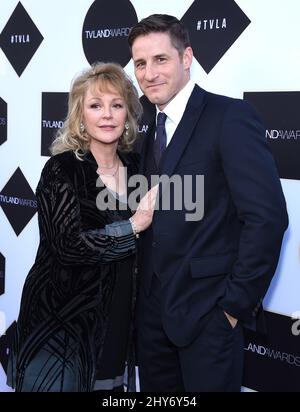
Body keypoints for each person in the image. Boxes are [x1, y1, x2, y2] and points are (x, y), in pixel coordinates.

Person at [128, 14, 288, 392]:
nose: (149, 73)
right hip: (150, 322)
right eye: (140, 63)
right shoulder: (141, 124)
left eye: (160, 59)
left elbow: (266, 219)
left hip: (208, 317)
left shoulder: (229, 117)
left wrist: (232, 308)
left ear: (187, 58)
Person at [6, 62, 157, 392]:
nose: (107, 115)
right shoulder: (61, 169)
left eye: (117, 105)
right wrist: (131, 227)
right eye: (95, 105)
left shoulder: (137, 168)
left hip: (117, 325)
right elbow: (66, 246)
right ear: (80, 115)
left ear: (129, 114)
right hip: (63, 328)